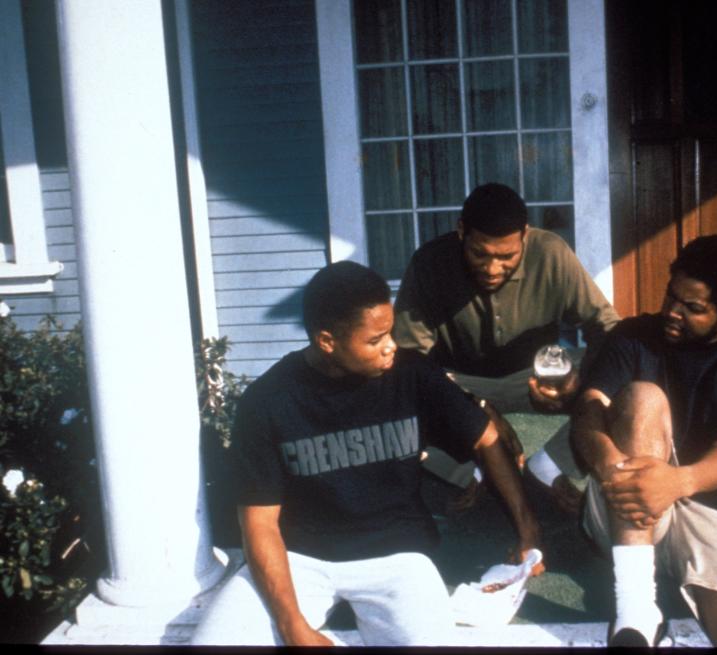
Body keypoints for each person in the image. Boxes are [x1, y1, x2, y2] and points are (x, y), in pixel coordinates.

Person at [192, 261, 541, 647]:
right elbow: (259, 524)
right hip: (299, 559)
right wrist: (292, 625)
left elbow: (485, 437)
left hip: (398, 556)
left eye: (389, 333)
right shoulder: (268, 400)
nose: (391, 346)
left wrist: (527, 529)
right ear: (327, 341)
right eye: (375, 340)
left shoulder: (412, 374)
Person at [571, 235, 717, 647]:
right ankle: (636, 613)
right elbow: (588, 410)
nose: (672, 311)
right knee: (642, 398)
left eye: (693, 308)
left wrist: (676, 482)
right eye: (672, 296)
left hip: (711, 505)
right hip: (622, 503)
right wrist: (613, 467)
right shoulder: (632, 336)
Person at [393, 182, 619, 511]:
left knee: (622, 375)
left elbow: (608, 329)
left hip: (538, 377)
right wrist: (475, 408)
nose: (492, 268)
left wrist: (578, 384)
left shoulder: (552, 252)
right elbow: (410, 359)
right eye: (479, 253)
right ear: (461, 232)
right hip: (458, 382)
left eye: (507, 256)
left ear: (525, 236)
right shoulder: (429, 263)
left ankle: (550, 465)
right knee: (393, 395)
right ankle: (472, 470)